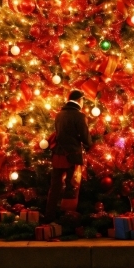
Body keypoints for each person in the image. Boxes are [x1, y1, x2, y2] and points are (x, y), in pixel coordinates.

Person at [44, 89, 92, 223]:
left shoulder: (59, 115)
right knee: (71, 186)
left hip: (58, 154)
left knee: (55, 186)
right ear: (79, 100)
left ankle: (50, 216)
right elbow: (85, 136)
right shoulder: (79, 116)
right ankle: (68, 219)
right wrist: (90, 144)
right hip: (72, 155)